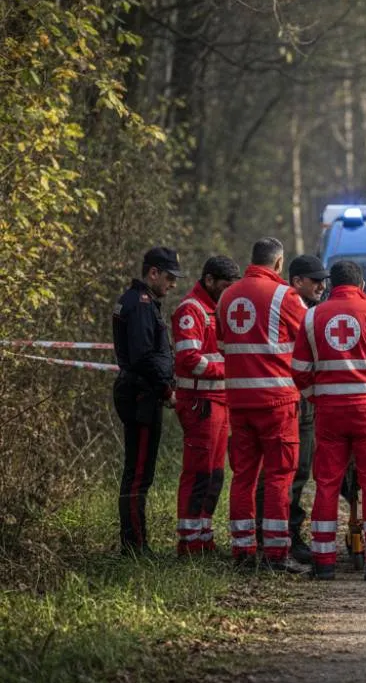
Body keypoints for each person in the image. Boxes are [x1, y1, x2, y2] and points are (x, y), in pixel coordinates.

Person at [292, 259, 366, 581]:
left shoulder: (312, 315)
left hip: (329, 412)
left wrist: (316, 394)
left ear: (331, 285)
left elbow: (299, 370)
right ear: (362, 286)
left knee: (327, 484)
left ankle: (324, 563)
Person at [217, 237, 309, 573]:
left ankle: (243, 553)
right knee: (278, 477)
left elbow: (223, 344)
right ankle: (275, 554)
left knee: (243, 476)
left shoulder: (227, 296)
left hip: (238, 403)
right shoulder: (285, 295)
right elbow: (309, 336)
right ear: (279, 262)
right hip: (277, 402)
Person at [255, 254, 329, 564]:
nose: (322, 286)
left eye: (324, 281)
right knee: (279, 471)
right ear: (297, 282)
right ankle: (270, 536)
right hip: (285, 398)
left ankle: (290, 533)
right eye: (316, 281)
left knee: (300, 470)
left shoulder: (315, 312)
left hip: (305, 401)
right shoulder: (283, 305)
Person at [111, 246, 182, 555]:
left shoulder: (143, 301)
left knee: (139, 473)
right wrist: (166, 391)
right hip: (141, 396)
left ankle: (135, 542)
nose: (172, 284)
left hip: (143, 394)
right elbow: (142, 356)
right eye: (169, 277)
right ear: (153, 273)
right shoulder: (140, 305)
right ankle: (135, 546)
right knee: (138, 475)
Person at [172, 255, 240, 555]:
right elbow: (189, 360)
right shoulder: (191, 310)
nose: (228, 293)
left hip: (218, 401)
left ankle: (204, 535)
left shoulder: (217, 310)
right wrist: (229, 370)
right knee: (198, 473)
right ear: (209, 280)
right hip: (200, 403)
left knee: (215, 475)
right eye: (224, 287)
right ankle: (189, 542)